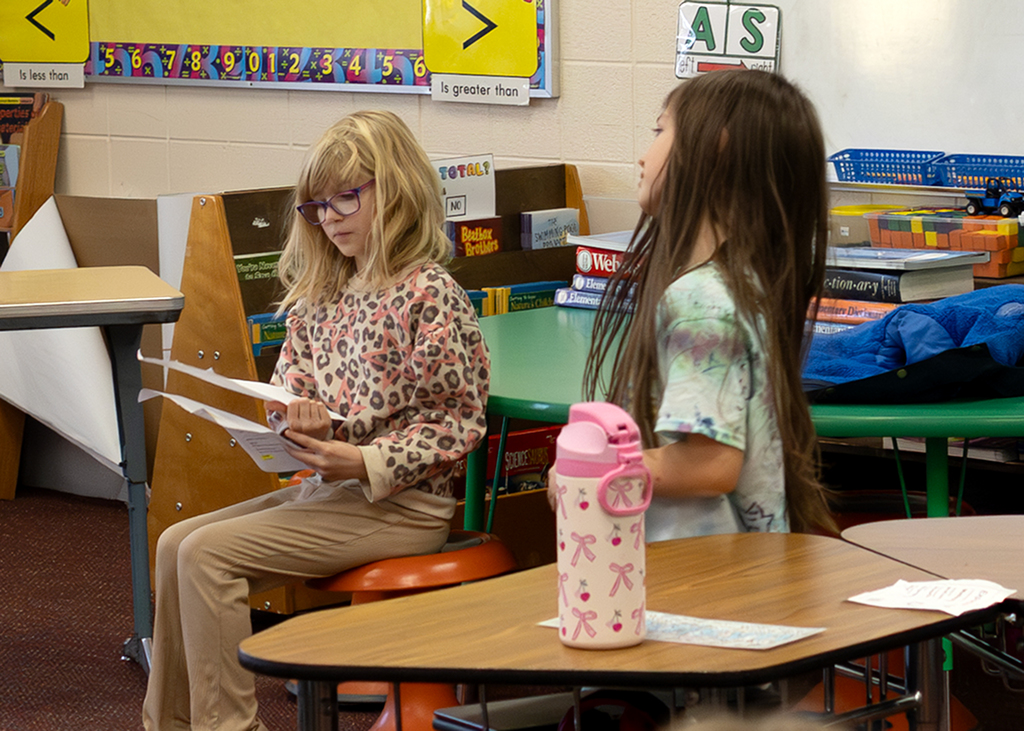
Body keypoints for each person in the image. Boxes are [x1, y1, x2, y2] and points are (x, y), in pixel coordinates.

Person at [142, 110, 490, 731]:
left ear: (396, 190)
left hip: (401, 508)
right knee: (174, 544)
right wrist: (291, 423)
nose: (328, 218)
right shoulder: (320, 297)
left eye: (345, 199)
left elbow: (457, 421)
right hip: (327, 493)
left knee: (204, 558)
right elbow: (288, 391)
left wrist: (362, 459)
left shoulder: (428, 293)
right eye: (315, 207)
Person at [572, 70, 835, 540]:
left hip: (707, 587)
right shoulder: (744, 284)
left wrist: (590, 467)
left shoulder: (700, 301)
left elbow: (709, 464)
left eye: (659, 130)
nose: (643, 154)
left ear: (716, 148)